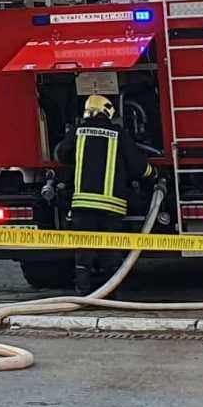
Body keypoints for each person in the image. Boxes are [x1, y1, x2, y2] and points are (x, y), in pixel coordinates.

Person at [54, 94, 154, 296]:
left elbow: (62, 154)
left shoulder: (77, 132)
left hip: (82, 207)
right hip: (110, 208)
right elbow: (137, 166)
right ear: (107, 111)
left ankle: (83, 292)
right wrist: (153, 174)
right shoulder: (118, 134)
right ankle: (111, 294)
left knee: (83, 251)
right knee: (111, 250)